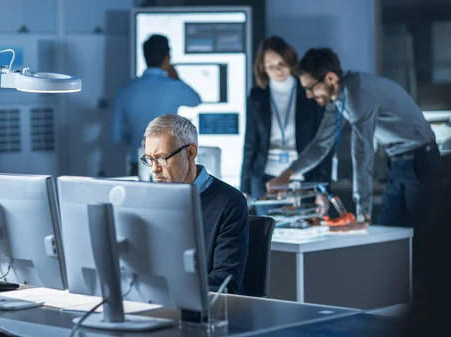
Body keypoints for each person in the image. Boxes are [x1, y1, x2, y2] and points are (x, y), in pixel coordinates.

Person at [268, 48, 443, 229]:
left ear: (330, 78)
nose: (308, 95)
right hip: (398, 162)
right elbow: (320, 145)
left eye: (310, 88)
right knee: (388, 234)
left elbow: (362, 153)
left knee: (421, 239)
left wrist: (362, 215)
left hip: (421, 161)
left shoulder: (357, 93)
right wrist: (285, 176)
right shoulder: (337, 98)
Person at [141, 114, 249, 294]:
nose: (154, 169)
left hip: (206, 311)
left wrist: (168, 289)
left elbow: (225, 281)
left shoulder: (229, 202)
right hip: (154, 301)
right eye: (150, 159)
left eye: (161, 158)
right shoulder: (149, 201)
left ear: (190, 152)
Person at [241, 36, 332, 214]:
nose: (277, 70)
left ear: (291, 61)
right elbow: (250, 144)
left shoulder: (309, 90)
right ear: (263, 67)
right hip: (266, 180)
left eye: (281, 63)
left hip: (305, 178)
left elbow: (323, 145)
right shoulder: (257, 96)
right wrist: (243, 189)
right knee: (269, 236)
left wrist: (324, 189)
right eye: (270, 65)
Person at [110, 34, 202, 175]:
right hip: (170, 164)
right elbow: (196, 100)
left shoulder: (126, 89)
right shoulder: (174, 87)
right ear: (167, 58)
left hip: (138, 164)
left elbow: (116, 135)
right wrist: (176, 77)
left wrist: (136, 139)